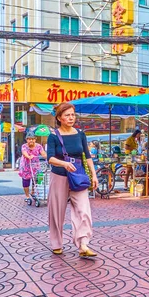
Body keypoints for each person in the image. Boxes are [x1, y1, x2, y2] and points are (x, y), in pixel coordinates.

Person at [46, 102, 99, 258]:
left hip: (78, 176)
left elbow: (87, 156)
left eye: (73, 115)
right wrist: (64, 163)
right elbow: (50, 158)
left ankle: (83, 245)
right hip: (59, 176)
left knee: (84, 210)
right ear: (59, 118)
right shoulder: (53, 136)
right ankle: (56, 243)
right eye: (67, 115)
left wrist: (94, 174)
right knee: (57, 212)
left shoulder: (80, 134)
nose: (71, 118)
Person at [18, 132, 46, 202]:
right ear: (26, 140)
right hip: (26, 166)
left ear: (35, 139)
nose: (31, 141)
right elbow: (24, 153)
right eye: (29, 139)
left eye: (32, 139)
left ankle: (33, 192)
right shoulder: (24, 146)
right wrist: (28, 156)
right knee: (26, 181)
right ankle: (27, 196)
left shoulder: (39, 146)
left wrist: (47, 157)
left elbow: (43, 153)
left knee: (37, 179)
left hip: (35, 165)